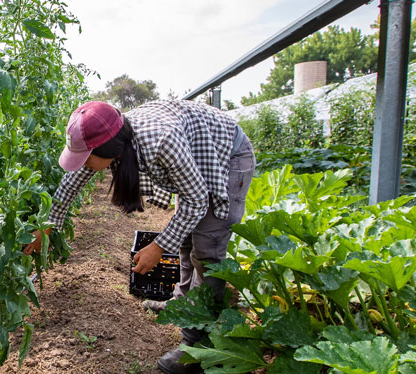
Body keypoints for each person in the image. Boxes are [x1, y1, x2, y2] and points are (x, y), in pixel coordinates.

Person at [23, 100, 255, 374]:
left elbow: (197, 201)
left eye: (86, 156)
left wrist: (158, 247)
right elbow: (73, 180)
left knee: (207, 251)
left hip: (227, 156)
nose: (83, 164)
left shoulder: (161, 141)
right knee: (186, 241)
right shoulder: (113, 136)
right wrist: (46, 227)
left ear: (109, 151)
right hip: (196, 160)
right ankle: (182, 303)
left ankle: (197, 346)